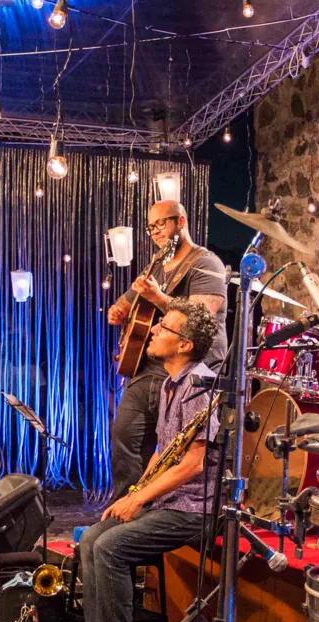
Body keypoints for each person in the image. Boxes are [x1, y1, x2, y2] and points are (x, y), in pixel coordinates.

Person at [56, 299, 221, 622]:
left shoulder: (201, 388)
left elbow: (193, 463)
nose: (155, 331)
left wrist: (140, 499)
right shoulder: (167, 384)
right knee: (92, 539)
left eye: (165, 328)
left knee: (111, 547)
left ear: (185, 345)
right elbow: (164, 452)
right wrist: (134, 492)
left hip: (194, 507)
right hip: (169, 500)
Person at [105, 200, 228, 500]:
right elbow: (128, 299)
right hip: (152, 366)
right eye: (151, 227)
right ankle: (124, 512)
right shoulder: (158, 264)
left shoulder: (205, 262)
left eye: (162, 223)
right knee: (125, 435)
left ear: (181, 222)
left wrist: (160, 298)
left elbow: (201, 319)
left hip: (190, 368)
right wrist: (119, 310)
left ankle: (155, 511)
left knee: (172, 448)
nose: (156, 231)